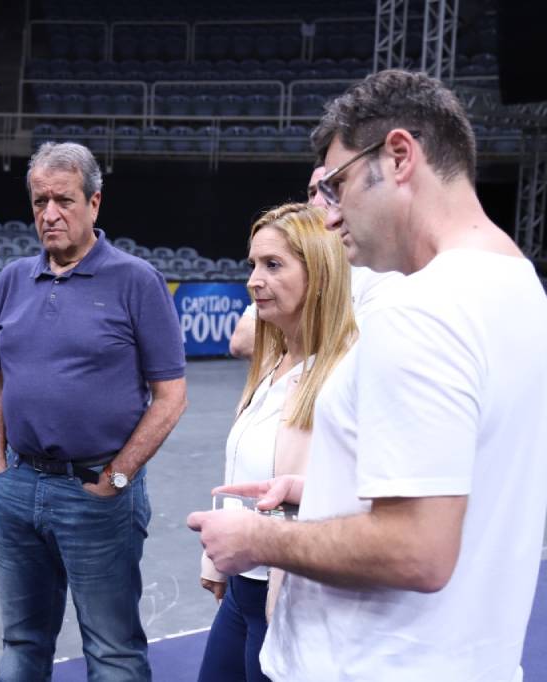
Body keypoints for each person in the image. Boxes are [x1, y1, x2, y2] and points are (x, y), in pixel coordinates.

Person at [189, 69, 547, 681]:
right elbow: (459, 487)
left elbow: (417, 549)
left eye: (336, 186)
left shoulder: (420, 310)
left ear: (398, 157)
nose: (329, 217)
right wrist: (321, 492)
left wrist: (258, 541)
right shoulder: (521, 294)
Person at [0, 142, 187, 681]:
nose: (49, 214)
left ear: (95, 203)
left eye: (64, 200)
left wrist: (118, 475)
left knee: (112, 648)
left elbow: (171, 395)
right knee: (22, 642)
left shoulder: (136, 281)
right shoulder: (10, 281)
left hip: (97, 493)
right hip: (18, 487)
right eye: (39, 201)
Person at [198, 204, 356, 682]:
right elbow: (241, 474)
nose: (253, 280)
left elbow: (343, 498)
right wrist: (217, 561)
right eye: (252, 265)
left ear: (320, 274)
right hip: (243, 591)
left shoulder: (347, 374)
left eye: (273, 265)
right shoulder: (273, 365)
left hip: (291, 602)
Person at [228, 167, 400, 360]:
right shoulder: (297, 261)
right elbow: (242, 341)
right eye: (312, 192)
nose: (316, 202)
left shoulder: (388, 272)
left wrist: (293, 336)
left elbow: (365, 350)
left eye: (331, 191)